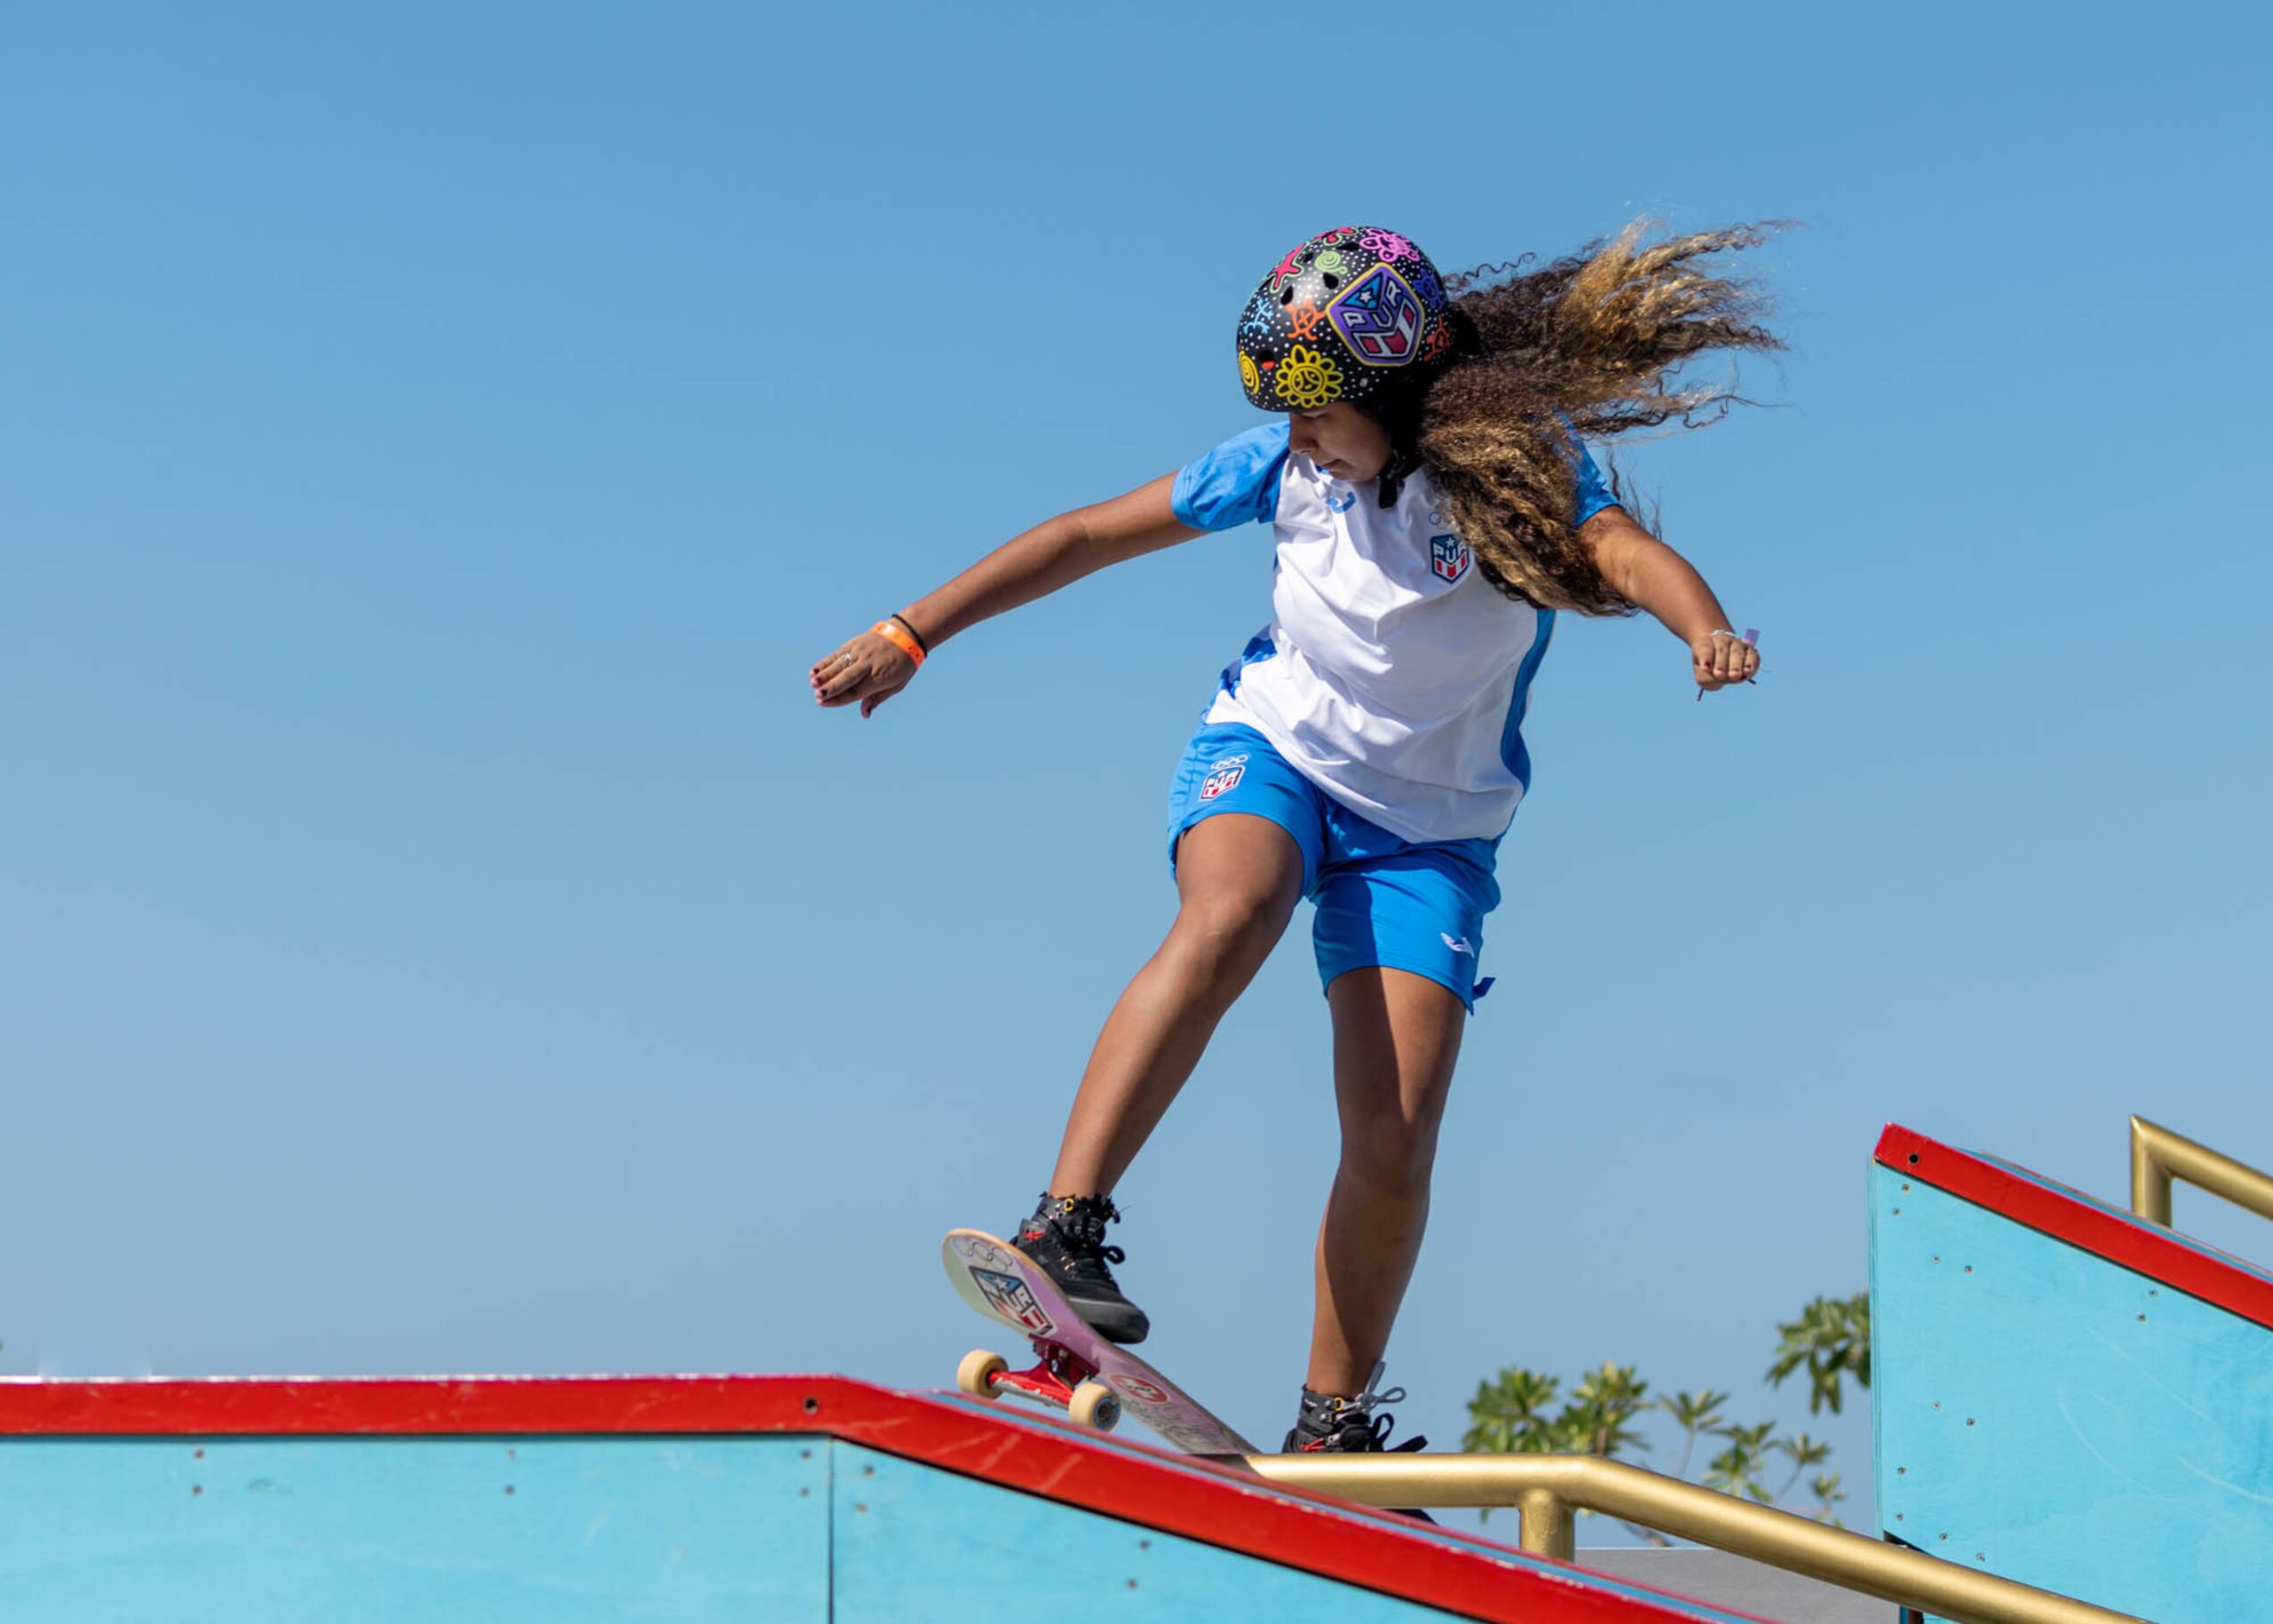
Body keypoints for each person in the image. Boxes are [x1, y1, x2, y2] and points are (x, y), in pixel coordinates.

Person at [811, 221, 1779, 1455]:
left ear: (1393, 395)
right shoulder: (1280, 468)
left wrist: (1703, 624)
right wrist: (915, 629)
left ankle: (1334, 1420)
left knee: (1397, 1127)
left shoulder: (1513, 476)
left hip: (1428, 832)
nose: (1300, 441)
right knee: (1234, 908)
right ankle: (1067, 1217)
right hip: (1273, 748)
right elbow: (1088, 534)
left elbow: (1620, 550)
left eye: (1319, 415)